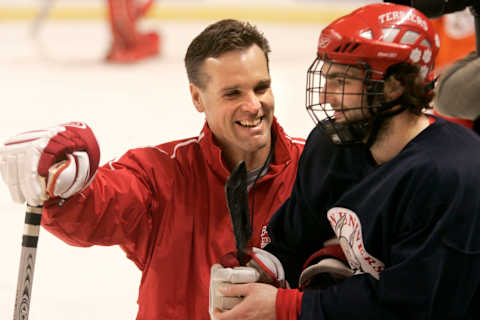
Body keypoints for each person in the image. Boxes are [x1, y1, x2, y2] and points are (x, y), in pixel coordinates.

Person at [0, 19, 305, 319]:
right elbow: (102, 205)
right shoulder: (161, 173)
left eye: (261, 87)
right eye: (233, 93)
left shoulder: (316, 168)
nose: (254, 105)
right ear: (197, 97)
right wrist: (64, 184)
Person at [210, 3, 480, 320]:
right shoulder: (331, 145)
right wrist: (258, 271)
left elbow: (414, 304)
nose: (325, 95)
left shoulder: (453, 174)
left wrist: (286, 306)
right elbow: (293, 240)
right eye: (326, 78)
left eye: (342, 81)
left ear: (394, 87)